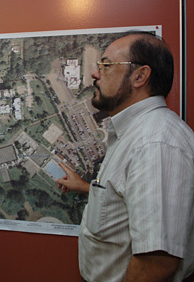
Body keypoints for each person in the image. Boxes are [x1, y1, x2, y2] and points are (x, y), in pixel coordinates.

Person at [55, 32, 194, 281]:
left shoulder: (154, 144)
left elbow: (156, 264)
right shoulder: (139, 135)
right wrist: (86, 188)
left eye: (106, 65)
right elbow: (131, 197)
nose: (95, 74)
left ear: (140, 76)